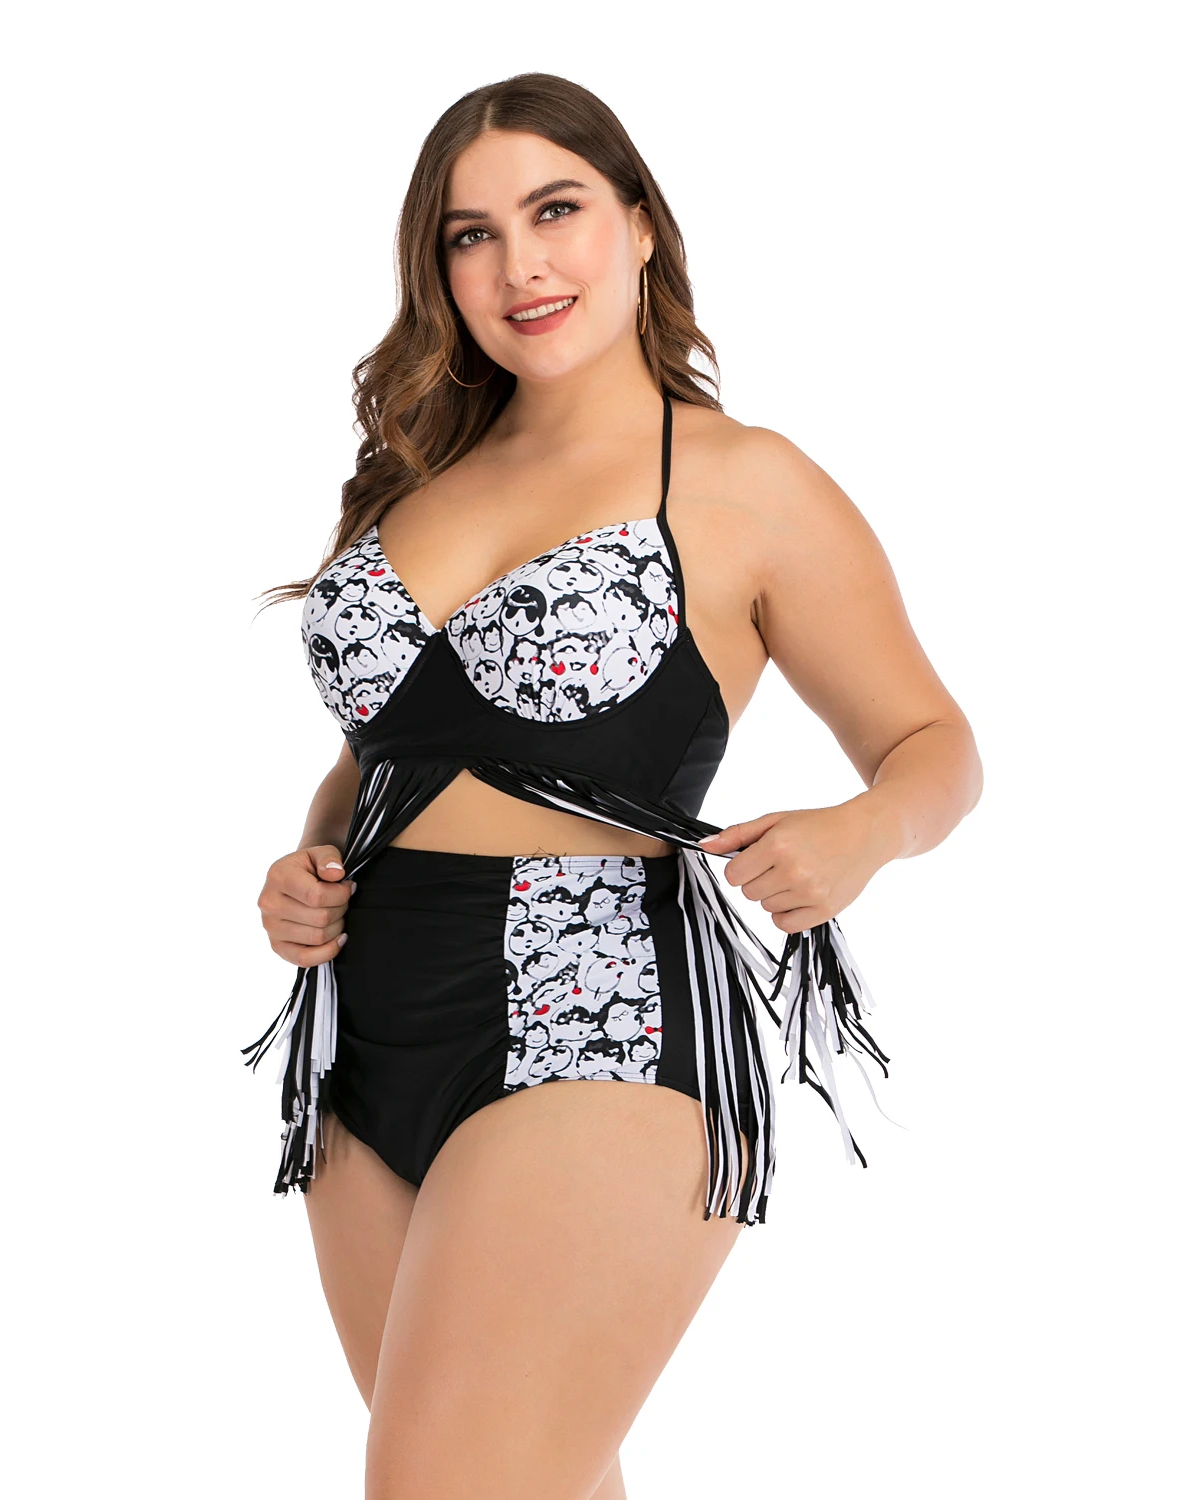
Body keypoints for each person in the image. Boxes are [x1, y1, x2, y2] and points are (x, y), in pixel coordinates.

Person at [246, 72, 983, 1500]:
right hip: (364, 1034)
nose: (517, 264)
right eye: (470, 235)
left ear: (641, 225)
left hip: (602, 1009)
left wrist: (865, 831)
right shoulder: (415, 476)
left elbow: (935, 743)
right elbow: (379, 754)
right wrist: (306, 866)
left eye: (556, 210)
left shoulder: (744, 481)